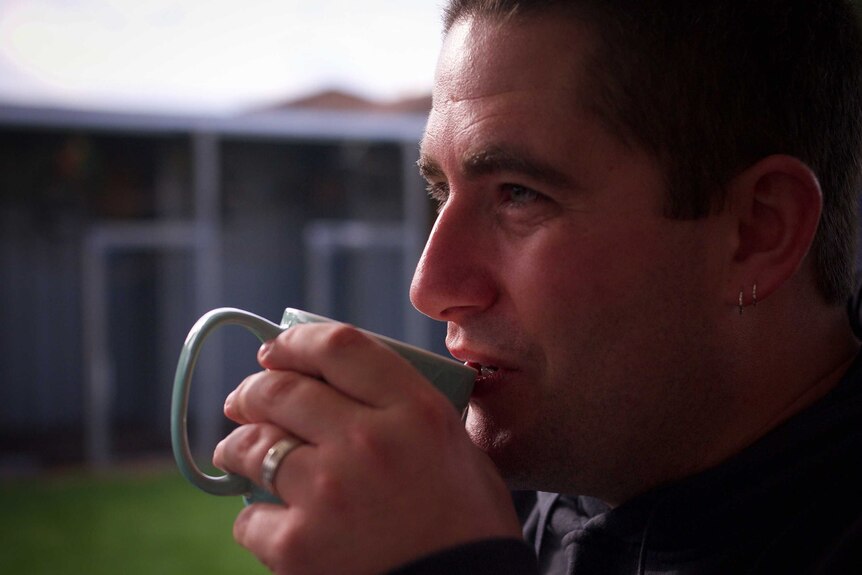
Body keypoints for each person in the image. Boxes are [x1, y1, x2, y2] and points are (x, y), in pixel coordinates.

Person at [212, 1, 862, 573]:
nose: (430, 286)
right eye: (441, 193)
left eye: (520, 194)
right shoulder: (487, 499)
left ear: (757, 232)